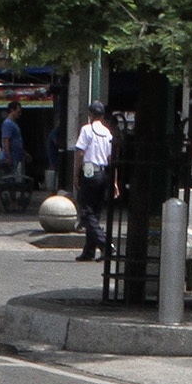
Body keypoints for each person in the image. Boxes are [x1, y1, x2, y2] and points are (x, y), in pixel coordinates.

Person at [72, 100, 115, 263]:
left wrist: (76, 174)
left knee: (85, 212)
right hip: (103, 173)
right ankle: (89, 251)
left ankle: (105, 244)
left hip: (89, 173)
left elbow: (80, 153)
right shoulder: (107, 132)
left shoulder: (86, 130)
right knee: (95, 213)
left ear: (90, 115)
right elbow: (111, 158)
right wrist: (115, 180)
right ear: (102, 116)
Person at [0, 100, 26, 179]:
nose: (19, 114)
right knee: (9, 179)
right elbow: (6, 140)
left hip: (17, 157)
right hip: (11, 158)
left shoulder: (14, 124)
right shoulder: (7, 124)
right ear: (12, 110)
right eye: (18, 112)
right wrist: (8, 156)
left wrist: (24, 153)